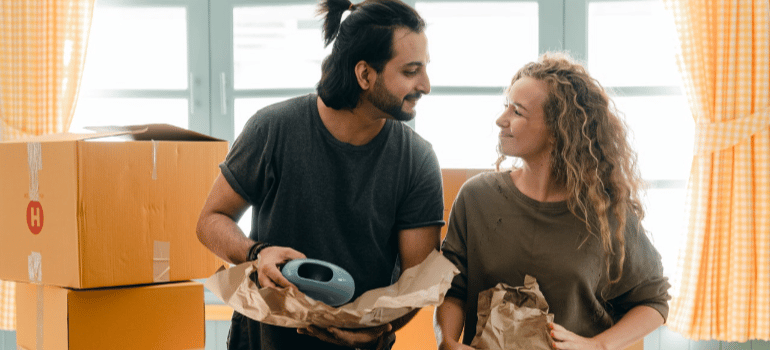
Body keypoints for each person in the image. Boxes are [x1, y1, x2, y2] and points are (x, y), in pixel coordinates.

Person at [196, 0, 444, 349]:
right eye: (410, 71)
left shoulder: (418, 160)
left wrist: (381, 328)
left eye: (425, 68)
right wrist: (257, 253)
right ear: (364, 75)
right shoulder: (273, 128)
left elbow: (416, 282)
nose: (426, 84)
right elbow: (210, 220)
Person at [433, 52, 671, 350]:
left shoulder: (605, 212)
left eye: (517, 112)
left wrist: (597, 345)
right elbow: (451, 289)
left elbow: (653, 301)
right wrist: (448, 342)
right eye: (506, 107)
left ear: (559, 131)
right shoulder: (476, 197)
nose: (500, 120)